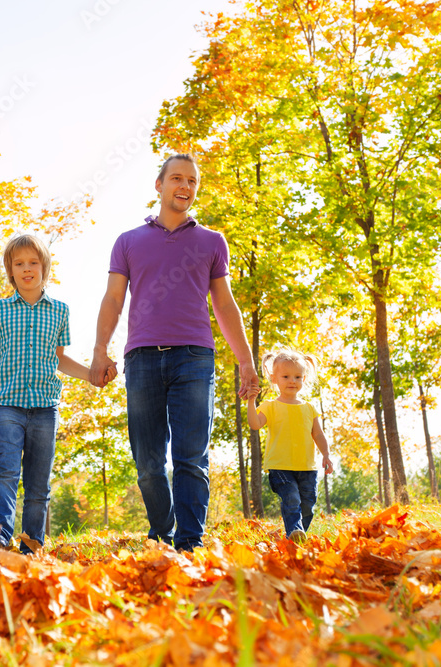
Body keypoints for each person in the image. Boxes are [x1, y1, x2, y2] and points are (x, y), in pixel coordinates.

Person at [89, 153, 259, 552]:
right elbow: (114, 300)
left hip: (194, 356)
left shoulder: (212, 242)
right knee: (148, 464)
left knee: (190, 457)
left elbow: (224, 304)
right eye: (177, 179)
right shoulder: (128, 241)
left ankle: (189, 543)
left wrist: (246, 360)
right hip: (142, 358)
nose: (185, 187)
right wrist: (100, 350)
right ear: (159, 185)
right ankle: (162, 531)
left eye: (192, 181)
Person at [0, 233, 112, 554]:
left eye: (33, 262)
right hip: (7, 406)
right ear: (10, 270)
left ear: (44, 267)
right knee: (5, 471)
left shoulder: (60, 311)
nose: (27, 269)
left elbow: (59, 359)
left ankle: (32, 545)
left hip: (46, 408)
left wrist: (91, 374)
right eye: (19, 263)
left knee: (38, 483)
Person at [247, 348, 333, 543]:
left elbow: (318, 434)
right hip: (280, 466)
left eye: (297, 377)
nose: (292, 381)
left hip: (307, 467)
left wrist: (326, 455)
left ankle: (297, 536)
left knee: (308, 504)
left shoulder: (309, 407)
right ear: (274, 378)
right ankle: (294, 530)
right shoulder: (270, 406)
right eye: (286, 376)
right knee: (292, 499)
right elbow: (255, 424)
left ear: (304, 379)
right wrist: (251, 400)